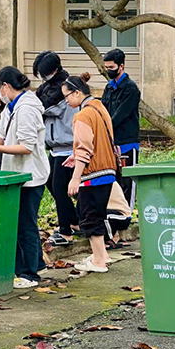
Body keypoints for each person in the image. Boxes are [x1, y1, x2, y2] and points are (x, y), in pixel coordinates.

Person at [0, 66, 50, 289]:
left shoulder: (27, 108)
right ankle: (32, 265)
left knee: (26, 224)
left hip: (30, 175)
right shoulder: (10, 108)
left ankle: (30, 274)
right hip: (15, 175)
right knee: (18, 222)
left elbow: (25, 147)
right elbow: (3, 137)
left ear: (6, 87)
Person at [62, 73, 129, 273]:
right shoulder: (100, 108)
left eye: (66, 96)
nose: (65, 101)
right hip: (108, 170)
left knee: (90, 216)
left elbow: (84, 148)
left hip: (93, 175)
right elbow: (100, 141)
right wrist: (77, 157)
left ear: (76, 93)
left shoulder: (82, 115)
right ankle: (101, 255)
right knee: (96, 215)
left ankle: (99, 261)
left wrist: (75, 178)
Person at [32, 51, 80, 246]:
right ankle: (75, 220)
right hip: (54, 148)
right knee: (51, 183)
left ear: (54, 69)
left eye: (44, 73)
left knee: (60, 189)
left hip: (67, 147)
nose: (43, 78)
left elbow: (47, 108)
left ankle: (65, 231)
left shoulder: (64, 89)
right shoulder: (47, 87)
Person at [101, 49, 141, 227]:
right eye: (106, 67)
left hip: (127, 141)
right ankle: (117, 215)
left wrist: (105, 126)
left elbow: (120, 115)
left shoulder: (131, 89)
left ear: (121, 66)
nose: (108, 70)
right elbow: (103, 110)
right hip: (112, 141)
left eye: (111, 67)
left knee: (128, 181)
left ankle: (127, 217)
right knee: (115, 181)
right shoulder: (109, 87)